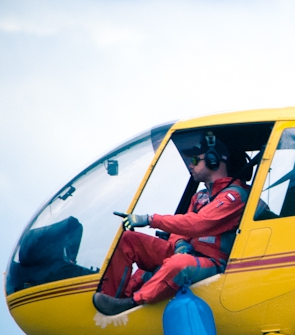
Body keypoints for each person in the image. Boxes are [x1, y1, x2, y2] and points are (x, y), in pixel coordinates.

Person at [93, 133, 249, 316]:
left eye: (194, 160)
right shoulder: (200, 197)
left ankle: (130, 304)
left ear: (213, 161)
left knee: (179, 264)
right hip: (189, 253)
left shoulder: (234, 196)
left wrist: (151, 219)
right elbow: (180, 228)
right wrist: (180, 243)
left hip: (213, 262)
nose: (190, 165)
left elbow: (198, 224)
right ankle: (108, 300)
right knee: (129, 240)